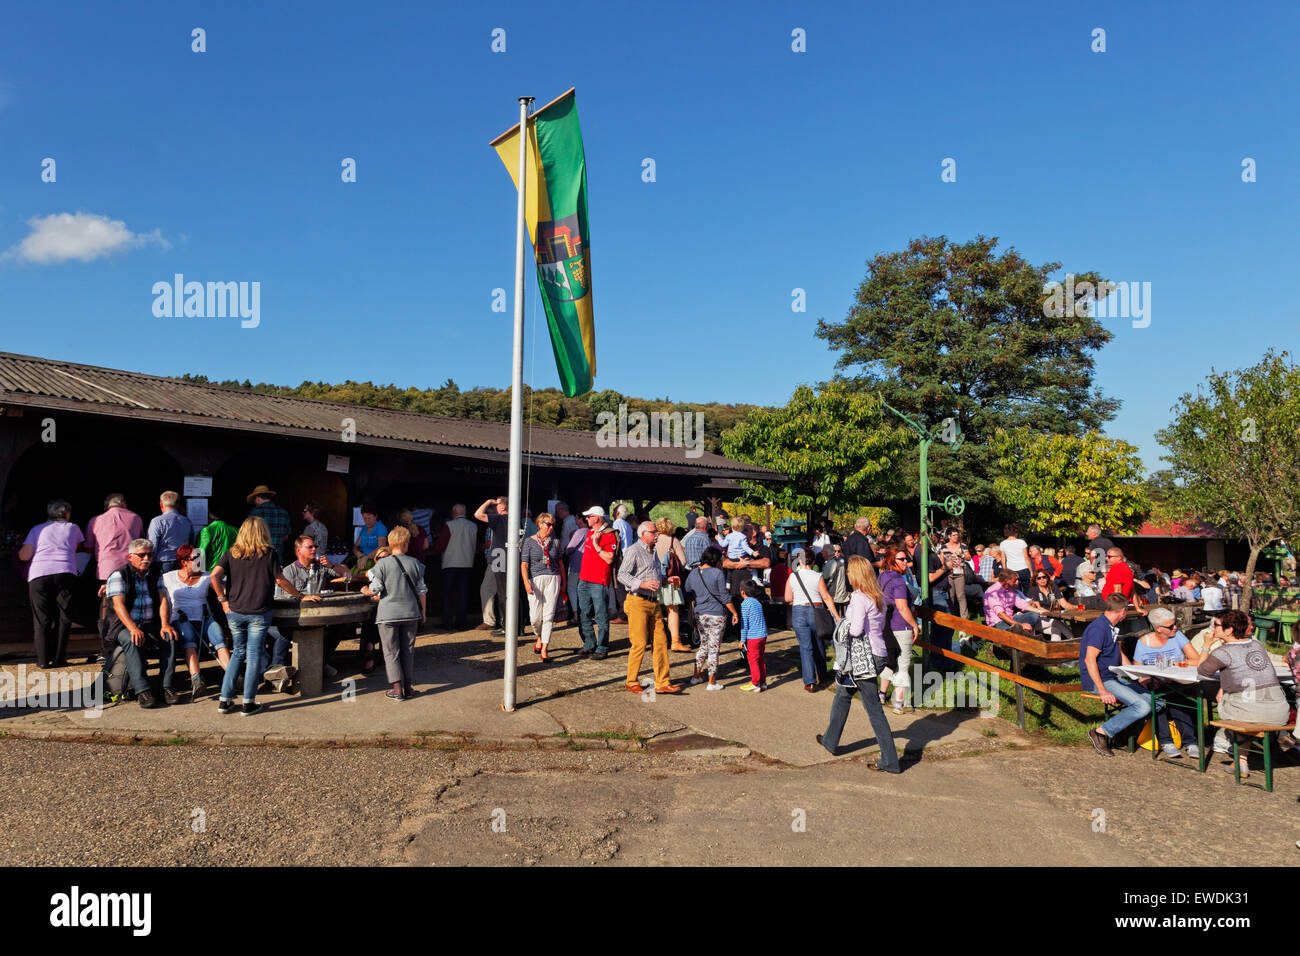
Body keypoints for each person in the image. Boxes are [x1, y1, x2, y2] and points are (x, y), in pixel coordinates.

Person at [210, 517, 309, 716]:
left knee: (237, 653)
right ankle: (248, 702)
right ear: (263, 533)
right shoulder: (269, 554)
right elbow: (280, 580)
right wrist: (300, 595)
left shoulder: (232, 553)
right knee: (253, 654)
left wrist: (223, 600)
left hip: (235, 611)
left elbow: (214, 576)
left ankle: (224, 700)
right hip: (259, 611)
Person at [816, 555, 901, 772]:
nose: (846, 575)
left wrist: (843, 623)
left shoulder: (859, 598)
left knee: (873, 708)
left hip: (863, 657)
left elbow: (855, 630)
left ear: (856, 574)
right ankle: (830, 740)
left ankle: (890, 760)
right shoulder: (878, 596)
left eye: (848, 571)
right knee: (842, 695)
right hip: (877, 652)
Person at [1199, 609, 1291, 777]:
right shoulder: (1256, 645)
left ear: (1229, 630)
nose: (1213, 628)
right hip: (1279, 712)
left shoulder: (1222, 652)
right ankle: (1241, 763)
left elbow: (1202, 671)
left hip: (1249, 711)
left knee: (1238, 708)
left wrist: (1206, 645)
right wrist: (1224, 686)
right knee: (1244, 706)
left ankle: (1233, 753)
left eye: (1217, 625)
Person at [102, 538, 176, 708]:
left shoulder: (156, 573)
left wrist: (165, 624)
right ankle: (142, 691)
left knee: (170, 636)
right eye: (141, 555)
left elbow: (163, 599)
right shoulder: (119, 575)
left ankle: (167, 687)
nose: (146, 558)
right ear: (130, 557)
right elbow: (118, 605)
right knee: (131, 639)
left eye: (149, 555)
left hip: (150, 623)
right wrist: (133, 628)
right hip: (123, 626)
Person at [272, 535, 350, 687]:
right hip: (297, 616)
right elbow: (284, 595)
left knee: (341, 626)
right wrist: (302, 597)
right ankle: (276, 672)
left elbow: (347, 574)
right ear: (298, 550)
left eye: (315, 546)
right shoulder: (290, 570)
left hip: (320, 615)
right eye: (310, 547)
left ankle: (320, 662)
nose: (314, 549)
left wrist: (332, 565)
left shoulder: (320, 566)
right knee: (284, 633)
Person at [362, 525, 427, 702]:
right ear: (405, 544)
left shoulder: (381, 564)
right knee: (408, 650)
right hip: (411, 613)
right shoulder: (416, 564)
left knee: (391, 652)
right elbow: (422, 591)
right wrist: (424, 613)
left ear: (391, 544)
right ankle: (409, 687)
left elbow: (376, 590)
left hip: (387, 615)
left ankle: (397, 690)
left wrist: (365, 590)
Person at [19, 499, 86, 669]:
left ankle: (42, 660)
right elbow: (78, 547)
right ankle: (59, 658)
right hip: (65, 572)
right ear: (67, 514)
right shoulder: (73, 527)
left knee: (42, 618)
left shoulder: (37, 529)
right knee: (64, 617)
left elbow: (25, 556)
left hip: (39, 574)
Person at [1082, 593, 1151, 756]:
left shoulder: (1110, 626)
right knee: (1142, 706)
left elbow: (1119, 654)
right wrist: (1102, 690)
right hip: (1101, 680)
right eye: (1126, 611)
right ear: (1122, 611)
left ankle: (1122, 734)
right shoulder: (1099, 628)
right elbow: (1089, 660)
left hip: (1113, 677)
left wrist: (1138, 676)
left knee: (1155, 700)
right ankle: (1100, 733)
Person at [160, 543, 231, 699]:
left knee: (218, 636)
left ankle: (232, 677)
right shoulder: (168, 577)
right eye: (196, 559)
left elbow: (225, 590)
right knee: (188, 637)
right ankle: (197, 680)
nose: (200, 562)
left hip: (204, 618)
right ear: (184, 561)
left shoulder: (207, 576)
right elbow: (153, 588)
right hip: (180, 618)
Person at [1132, 607, 1204, 759]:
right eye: (1171, 626)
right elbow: (1137, 670)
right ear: (1158, 628)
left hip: (1176, 680)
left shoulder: (1177, 637)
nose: (1175, 628)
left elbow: (1196, 660)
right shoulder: (1143, 643)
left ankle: (1190, 742)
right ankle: (1166, 741)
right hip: (1155, 683)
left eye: (1175, 624)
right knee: (1156, 701)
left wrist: (1176, 664)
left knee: (1176, 698)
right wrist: (1145, 680)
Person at [618, 520, 680, 694]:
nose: (657, 535)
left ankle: (662, 682)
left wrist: (666, 579)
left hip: (653, 602)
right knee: (639, 643)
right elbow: (622, 575)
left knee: (661, 642)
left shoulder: (653, 552)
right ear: (643, 534)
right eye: (654, 532)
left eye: (657, 532)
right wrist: (642, 584)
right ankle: (631, 681)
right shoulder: (634, 550)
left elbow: (654, 573)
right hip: (637, 601)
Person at [85, 493, 142, 657]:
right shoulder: (135, 518)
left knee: (107, 608)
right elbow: (140, 544)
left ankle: (106, 647)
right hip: (130, 566)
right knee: (129, 603)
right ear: (123, 503)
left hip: (106, 567)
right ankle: (128, 643)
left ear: (106, 505)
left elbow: (88, 547)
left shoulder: (95, 521)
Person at [784, 547, 840, 691]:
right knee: (819, 643)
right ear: (813, 561)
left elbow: (787, 598)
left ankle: (809, 681)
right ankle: (822, 673)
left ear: (800, 560)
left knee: (805, 646)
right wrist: (836, 615)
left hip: (798, 611)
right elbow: (826, 597)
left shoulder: (793, 577)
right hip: (816, 610)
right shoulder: (817, 576)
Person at [685, 547, 736, 690]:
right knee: (714, 648)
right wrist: (734, 612)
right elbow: (724, 597)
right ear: (715, 560)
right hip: (716, 614)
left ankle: (696, 676)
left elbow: (687, 589)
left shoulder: (693, 573)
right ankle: (712, 682)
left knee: (703, 645)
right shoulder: (717, 573)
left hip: (700, 614)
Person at [877, 545, 920, 714]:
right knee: (902, 664)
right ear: (891, 560)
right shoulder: (899, 582)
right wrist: (915, 625)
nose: (905, 562)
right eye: (901, 559)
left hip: (885, 625)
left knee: (890, 659)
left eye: (906, 559)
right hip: (901, 625)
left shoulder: (882, 577)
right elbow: (902, 607)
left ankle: (881, 695)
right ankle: (899, 703)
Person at [576, 506, 618, 659]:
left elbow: (609, 558)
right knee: (583, 613)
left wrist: (596, 545)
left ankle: (602, 647)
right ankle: (589, 643)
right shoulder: (589, 532)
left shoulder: (608, 535)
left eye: (589, 516)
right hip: (584, 579)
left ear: (598, 518)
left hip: (598, 581)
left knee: (601, 616)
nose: (586, 519)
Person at [520, 512, 562, 662]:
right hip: (536, 579)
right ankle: (539, 636)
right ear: (539, 524)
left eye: (552, 525)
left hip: (553, 577)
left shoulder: (555, 542)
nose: (551, 527)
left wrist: (563, 583)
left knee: (549, 615)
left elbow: (560, 563)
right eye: (548, 524)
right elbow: (524, 564)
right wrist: (526, 582)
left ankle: (544, 648)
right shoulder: (529, 542)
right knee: (535, 617)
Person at [436, 504, 478, 631]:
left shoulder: (450, 525)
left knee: (447, 594)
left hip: (450, 563)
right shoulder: (473, 526)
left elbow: (441, 544)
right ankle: (462, 623)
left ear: (454, 512)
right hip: (467, 563)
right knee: (463, 594)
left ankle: (447, 623)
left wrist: (434, 550)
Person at [653, 518, 690, 652]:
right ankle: (675, 641)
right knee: (673, 610)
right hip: (671, 580)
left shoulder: (653, 540)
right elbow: (683, 561)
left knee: (654, 610)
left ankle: (656, 640)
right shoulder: (673, 541)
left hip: (653, 580)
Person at [147, 491, 193, 573]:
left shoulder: (157, 521)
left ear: (161, 504)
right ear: (178, 504)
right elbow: (191, 542)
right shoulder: (187, 521)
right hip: (183, 563)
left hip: (164, 563)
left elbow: (152, 545)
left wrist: (149, 563)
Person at [1028, 569, 1079, 640]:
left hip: (1051, 619)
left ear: (1047, 578)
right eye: (1039, 578)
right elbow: (1038, 607)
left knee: (1056, 630)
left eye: (1044, 577)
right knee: (1056, 622)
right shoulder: (1034, 589)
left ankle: (1055, 648)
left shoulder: (1052, 587)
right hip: (1038, 620)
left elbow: (1064, 604)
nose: (1042, 579)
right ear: (1036, 580)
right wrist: (1051, 614)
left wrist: (1076, 607)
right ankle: (1074, 640)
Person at [247, 485, 293, 565]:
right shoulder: (284, 512)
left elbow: (248, 536)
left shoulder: (254, 513)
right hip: (278, 558)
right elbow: (286, 537)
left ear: (257, 498)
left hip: (259, 558)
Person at [738, 579, 768, 691]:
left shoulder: (745, 604)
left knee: (752, 660)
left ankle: (755, 683)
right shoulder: (757, 602)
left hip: (753, 636)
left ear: (742, 592)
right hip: (762, 634)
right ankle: (763, 682)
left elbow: (744, 623)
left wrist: (742, 640)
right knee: (760, 659)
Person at [197, 507, 238, 573]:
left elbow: (200, 552)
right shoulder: (235, 530)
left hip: (211, 571)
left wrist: (195, 572)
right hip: (230, 570)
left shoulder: (207, 530)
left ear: (209, 515)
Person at [821, 544, 851, 617]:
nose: (837, 553)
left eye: (839, 551)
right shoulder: (845, 562)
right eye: (835, 551)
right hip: (844, 596)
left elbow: (826, 581)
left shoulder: (831, 563)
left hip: (835, 597)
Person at [999, 523, 1031, 591]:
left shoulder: (1003, 543)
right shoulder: (1022, 542)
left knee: (1015, 591)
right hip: (1024, 568)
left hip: (1011, 570)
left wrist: (1005, 570)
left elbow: (1003, 559)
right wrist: (1031, 571)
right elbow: (1026, 557)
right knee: (1027, 589)